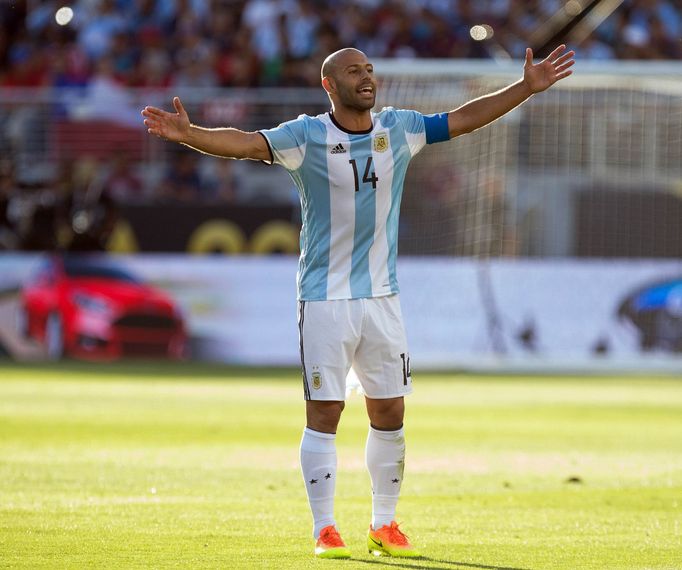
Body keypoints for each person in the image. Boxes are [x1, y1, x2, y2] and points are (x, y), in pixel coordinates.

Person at [141, 44, 575, 559]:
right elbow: (245, 144)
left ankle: (384, 525)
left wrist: (525, 87)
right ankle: (325, 528)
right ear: (329, 85)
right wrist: (190, 135)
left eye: (369, 69)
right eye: (353, 71)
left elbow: (462, 119)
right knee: (324, 412)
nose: (366, 77)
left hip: (382, 298)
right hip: (325, 297)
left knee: (390, 410)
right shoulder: (306, 136)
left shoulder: (400, 128)